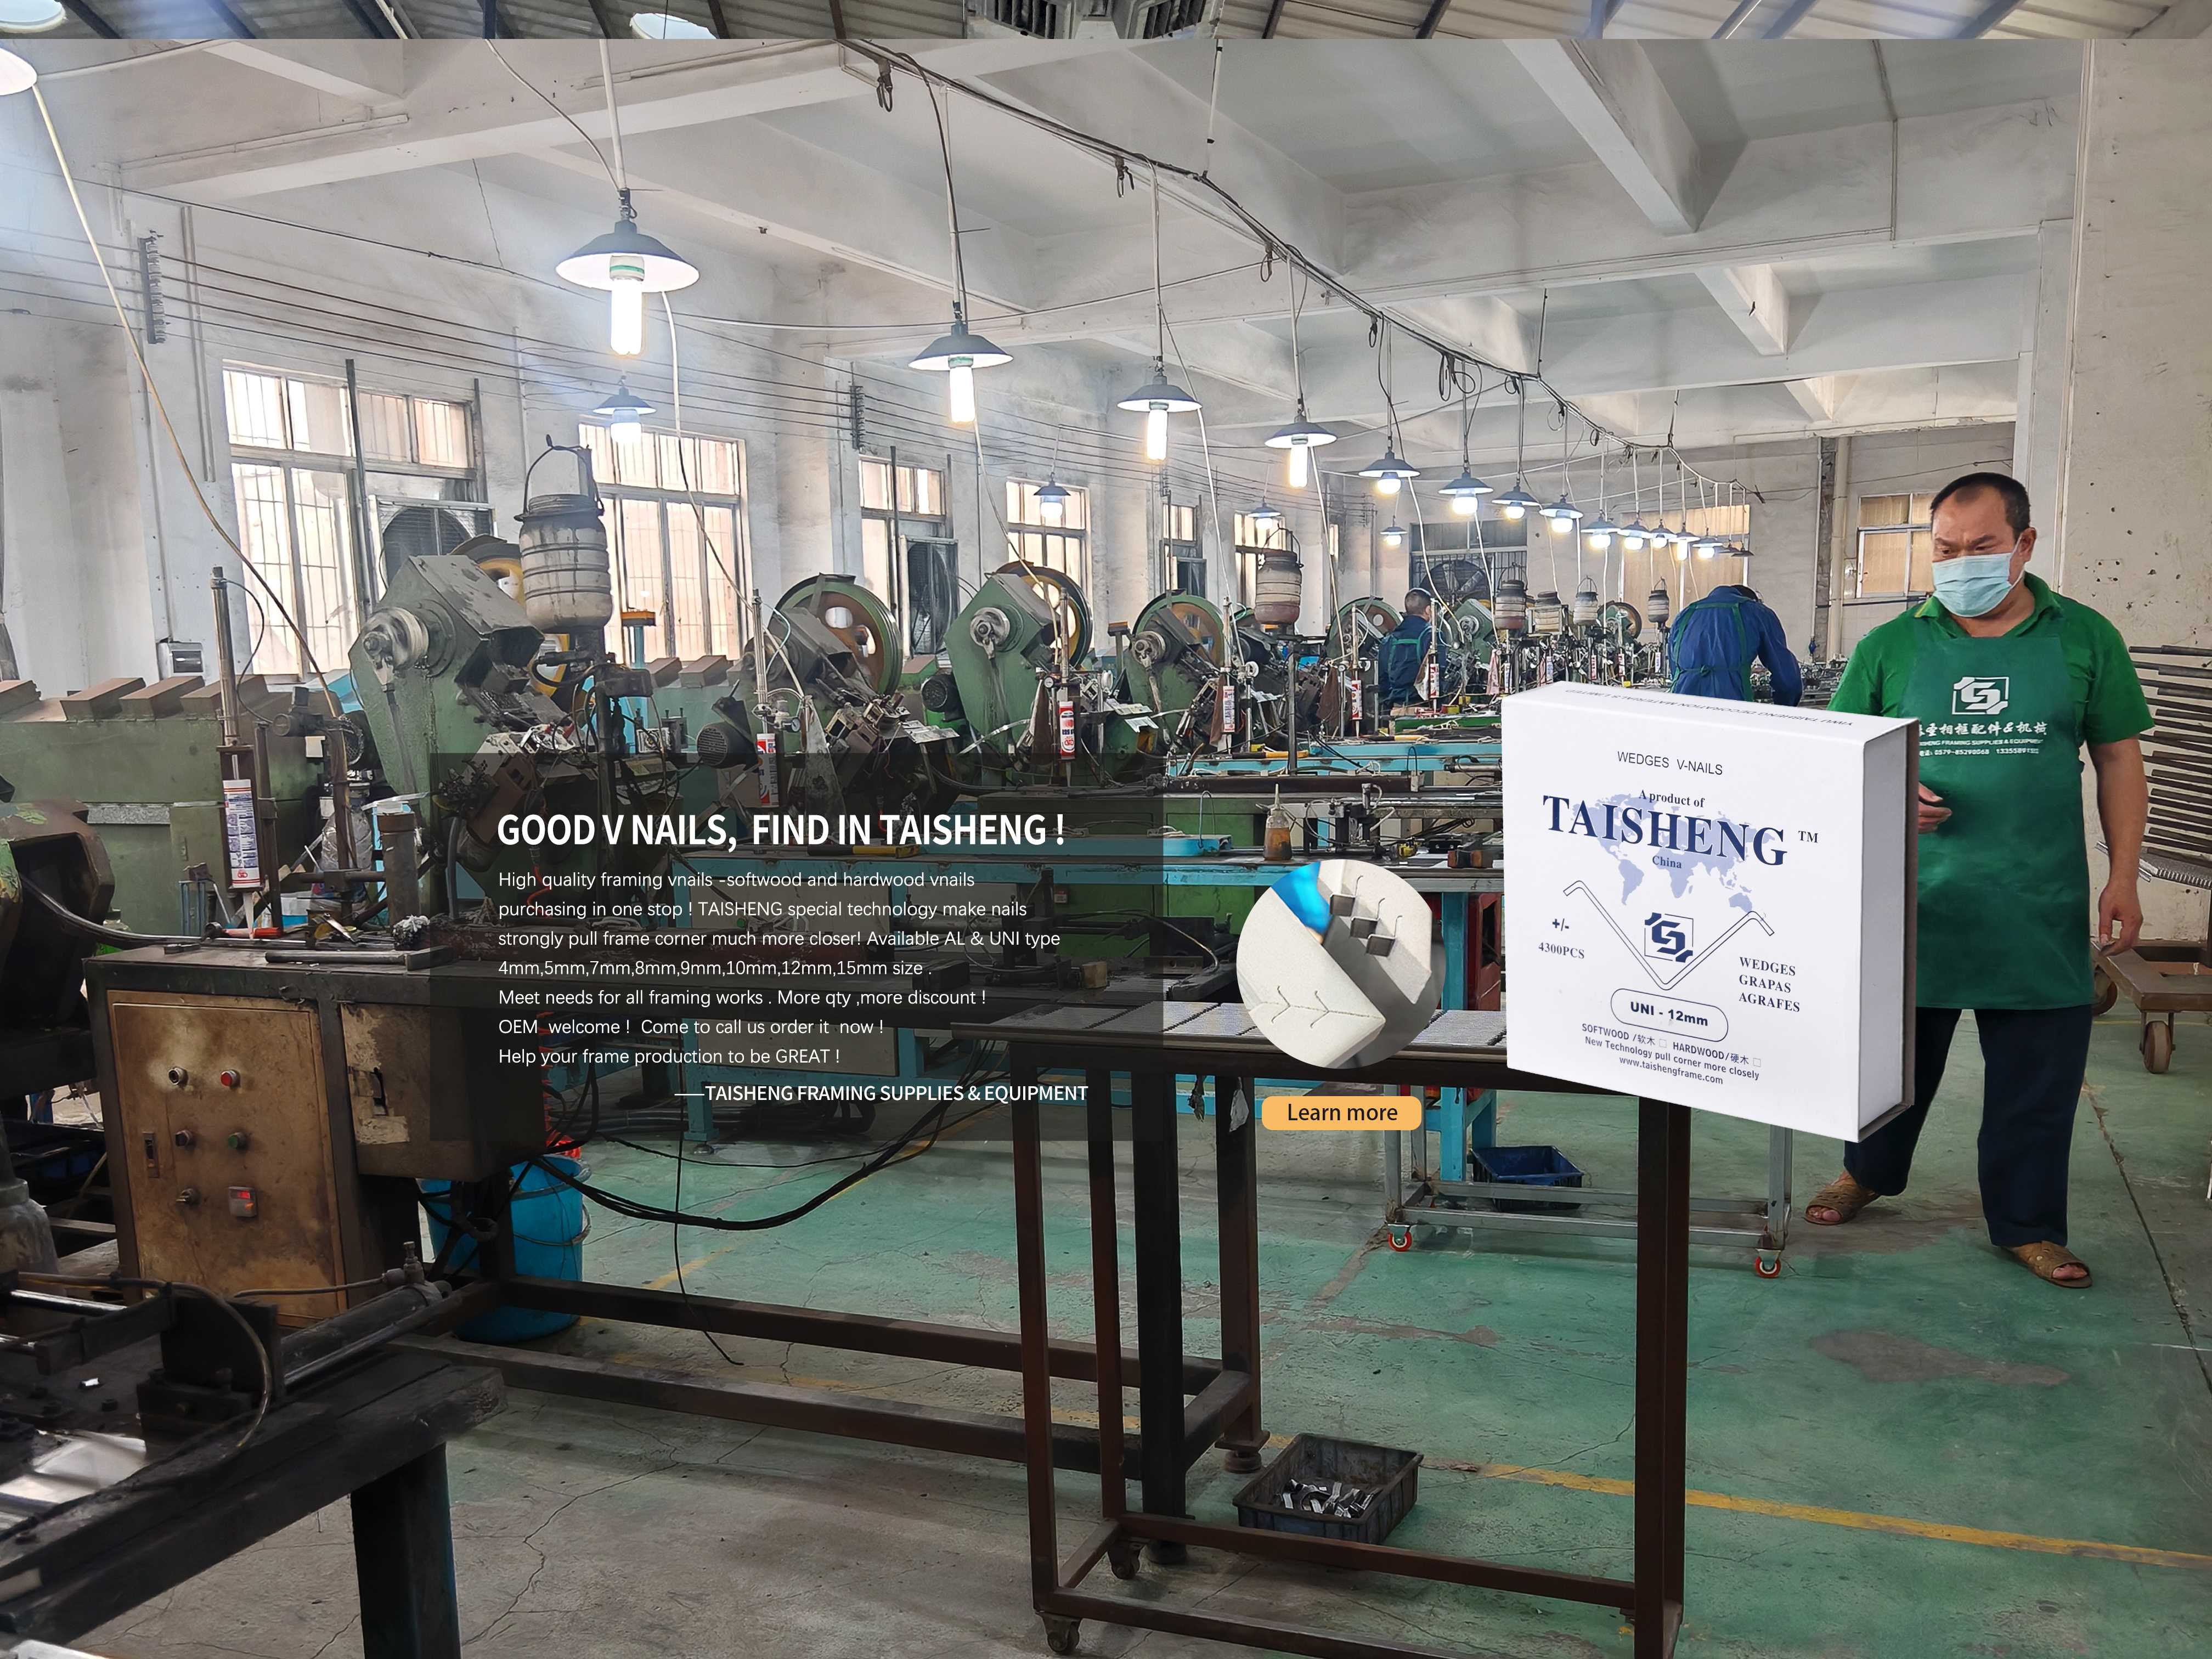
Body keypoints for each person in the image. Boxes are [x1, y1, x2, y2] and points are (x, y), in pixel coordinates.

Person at [1807, 472, 2151, 1289]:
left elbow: (2118, 760)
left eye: (1981, 547)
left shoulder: (2083, 637)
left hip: (2035, 903)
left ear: (2024, 544)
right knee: (1889, 1064)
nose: (1961, 563)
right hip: (1911, 903)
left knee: (2037, 1081)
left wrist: (2125, 875)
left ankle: (2028, 1225)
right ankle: (1865, 1173)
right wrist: (1887, 797)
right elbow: (1833, 760)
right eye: (1946, 549)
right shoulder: (1891, 646)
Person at [1668, 581, 1802, 704]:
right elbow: (1788, 680)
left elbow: (1675, 672)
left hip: (1682, 708)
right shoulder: (1757, 612)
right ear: (1752, 601)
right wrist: (1783, 709)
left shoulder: (1685, 615)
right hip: (1731, 708)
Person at [1378, 589, 1437, 708]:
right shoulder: (1433, 636)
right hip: (1427, 708)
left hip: (1396, 708)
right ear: (1428, 610)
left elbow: (1383, 680)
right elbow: (1439, 677)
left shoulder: (1389, 641)